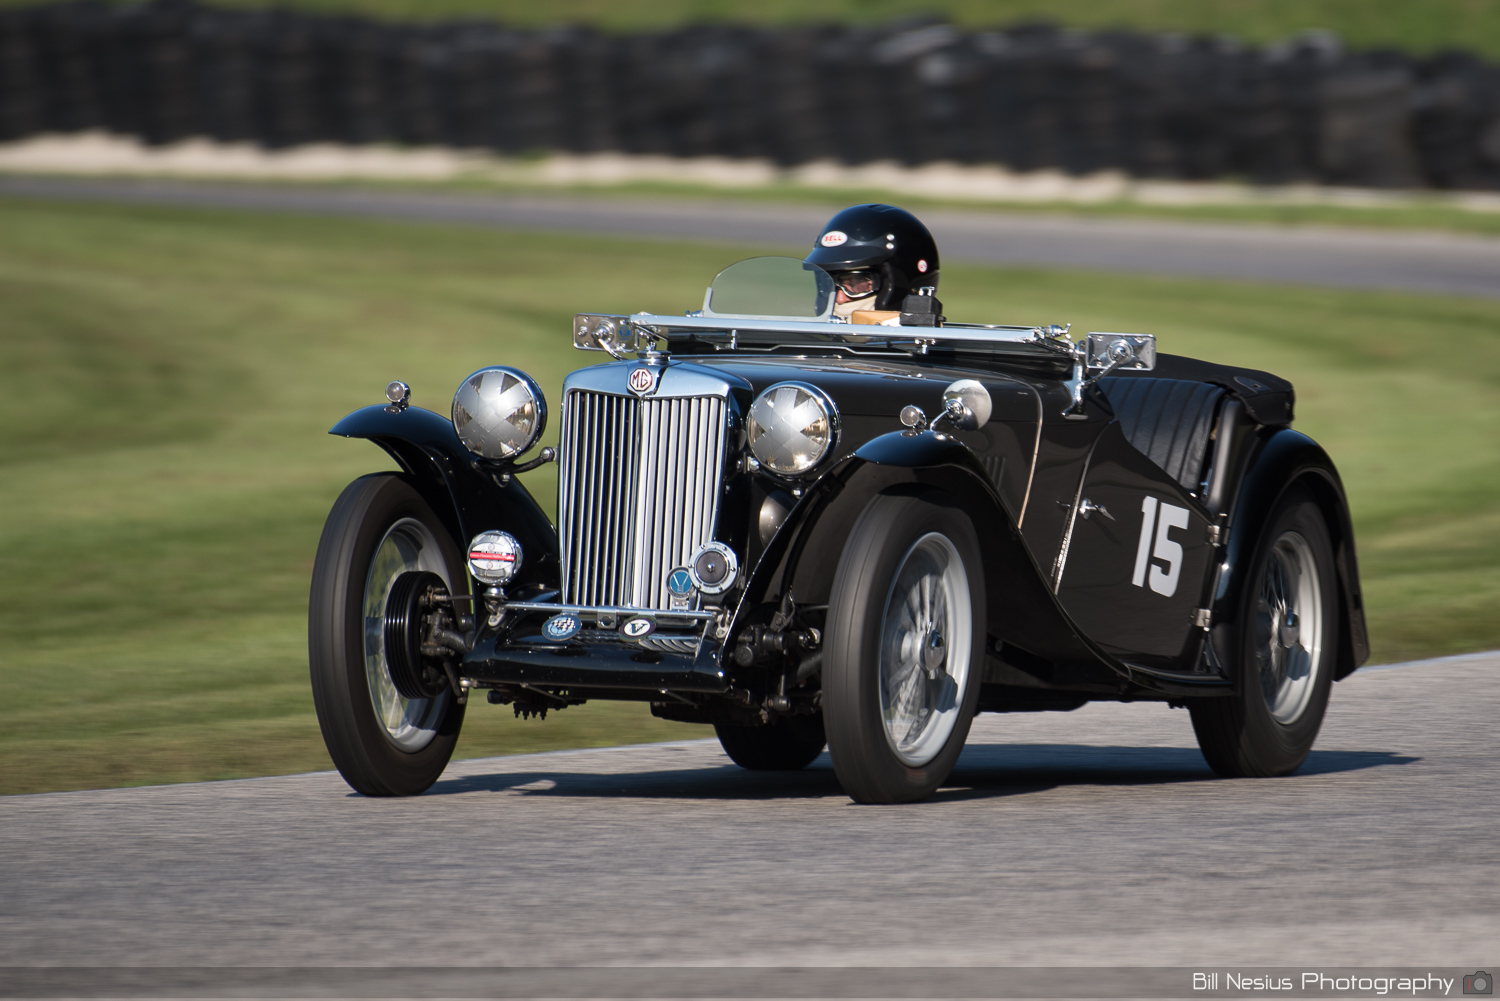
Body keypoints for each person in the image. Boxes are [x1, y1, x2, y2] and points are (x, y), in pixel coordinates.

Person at [803, 204, 940, 318]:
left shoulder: (932, 349)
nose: (839, 299)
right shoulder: (809, 348)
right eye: (829, 285)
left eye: (855, 284)